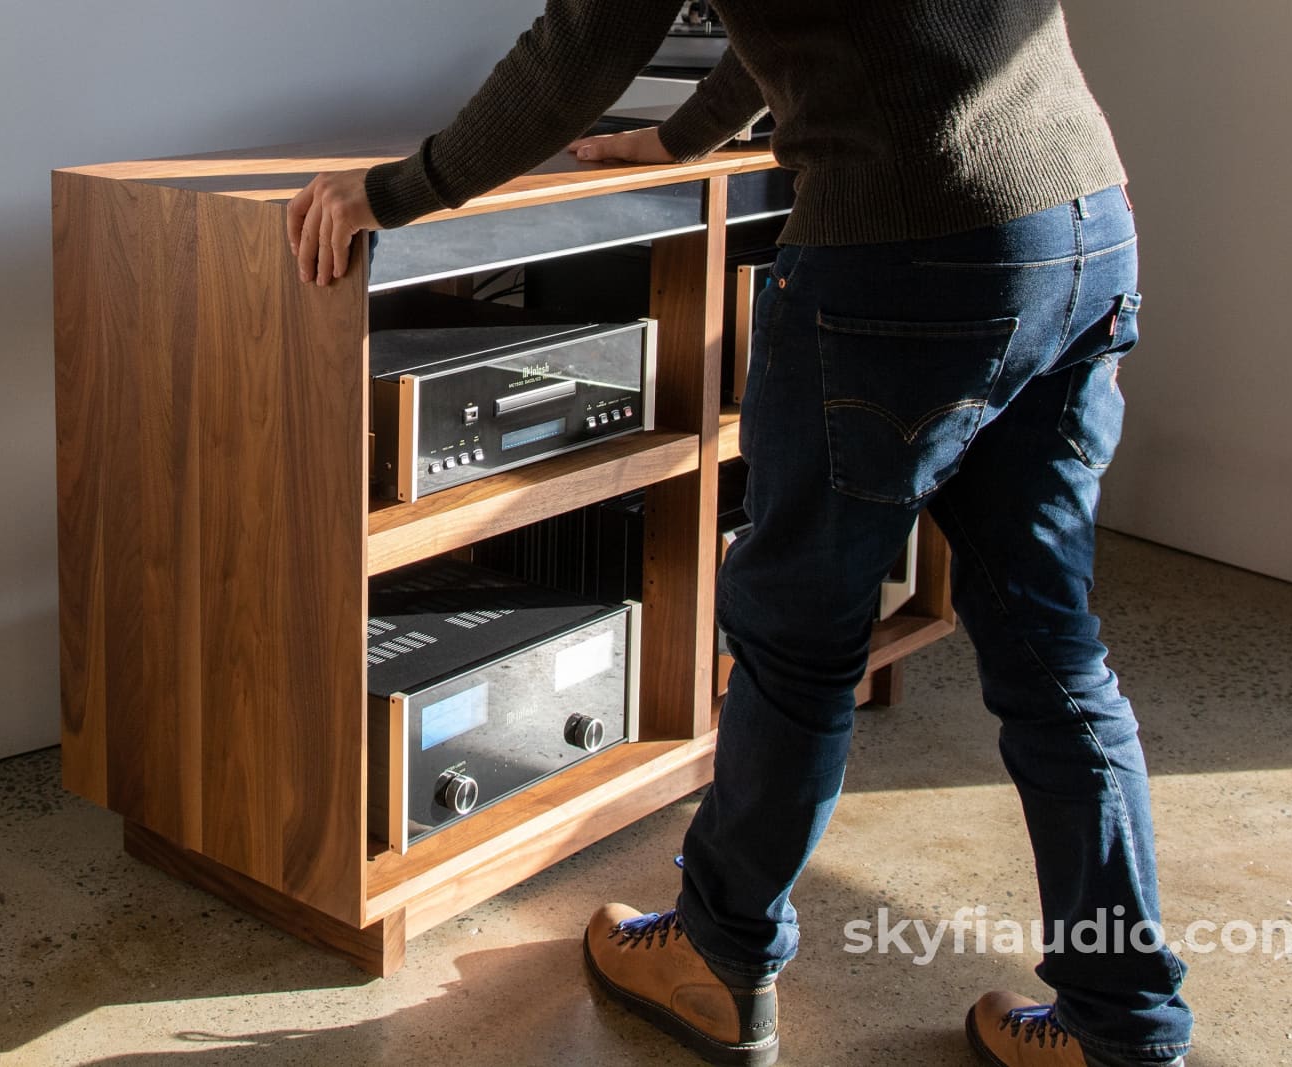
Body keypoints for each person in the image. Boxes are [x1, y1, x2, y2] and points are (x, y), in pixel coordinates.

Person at [288, 3, 1194, 1065]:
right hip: (1077, 220)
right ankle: (1123, 1023)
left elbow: (581, 46)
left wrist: (392, 191)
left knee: (797, 645)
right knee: (1053, 653)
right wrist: (678, 142)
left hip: (905, 249)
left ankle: (715, 957)